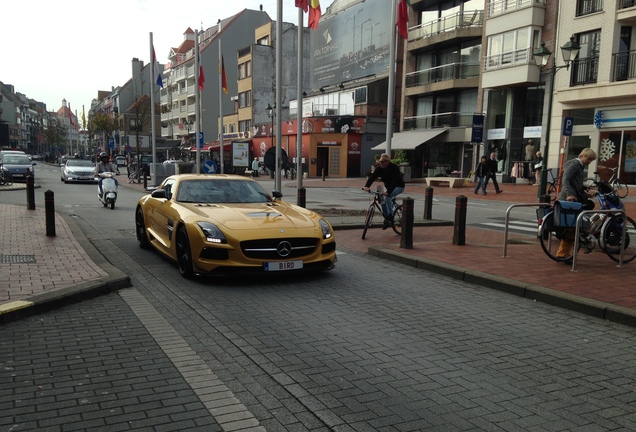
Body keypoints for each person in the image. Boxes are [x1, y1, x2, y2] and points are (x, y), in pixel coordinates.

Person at [556, 148, 597, 260]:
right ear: (581, 155)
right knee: (571, 227)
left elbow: (575, 182)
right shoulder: (575, 164)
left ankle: (564, 252)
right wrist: (569, 194)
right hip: (569, 199)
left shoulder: (579, 165)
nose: (588, 162)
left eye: (591, 160)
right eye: (588, 159)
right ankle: (562, 254)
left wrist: (585, 193)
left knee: (573, 226)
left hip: (573, 197)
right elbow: (565, 179)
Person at [363, 153, 405, 229]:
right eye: (380, 161)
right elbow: (372, 177)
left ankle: (390, 216)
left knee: (388, 196)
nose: (381, 163)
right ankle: (387, 219)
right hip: (389, 187)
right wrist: (367, 186)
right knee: (381, 200)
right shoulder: (379, 168)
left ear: (387, 161)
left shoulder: (394, 167)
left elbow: (395, 182)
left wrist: (388, 192)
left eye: (382, 161)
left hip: (398, 186)